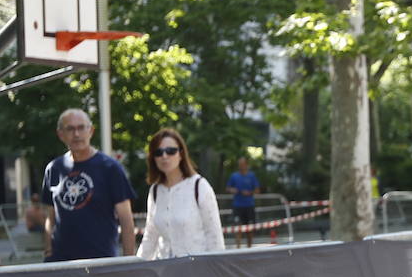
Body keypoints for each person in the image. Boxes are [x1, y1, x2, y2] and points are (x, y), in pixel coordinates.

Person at [42, 108, 136, 261]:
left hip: (101, 262)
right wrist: (47, 250)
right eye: (70, 129)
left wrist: (128, 262)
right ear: (60, 134)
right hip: (60, 264)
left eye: (81, 128)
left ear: (91, 131)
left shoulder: (110, 168)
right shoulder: (54, 169)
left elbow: (126, 218)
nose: (76, 134)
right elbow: (50, 217)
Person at [138, 128, 226, 259]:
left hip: (196, 271)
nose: (165, 156)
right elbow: (150, 236)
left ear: (181, 154)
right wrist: (136, 268)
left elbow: (214, 237)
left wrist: (215, 271)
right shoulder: (155, 191)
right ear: (153, 158)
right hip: (164, 272)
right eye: (158, 152)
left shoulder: (199, 186)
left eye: (171, 151)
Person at [226, 156, 262, 248]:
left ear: (246, 165)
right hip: (237, 205)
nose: (241, 166)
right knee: (238, 227)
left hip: (249, 205)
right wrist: (234, 190)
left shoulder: (251, 176)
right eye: (239, 164)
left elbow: (257, 190)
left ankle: (249, 248)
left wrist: (249, 193)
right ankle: (238, 248)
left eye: (242, 164)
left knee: (249, 228)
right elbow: (228, 188)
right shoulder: (234, 176)